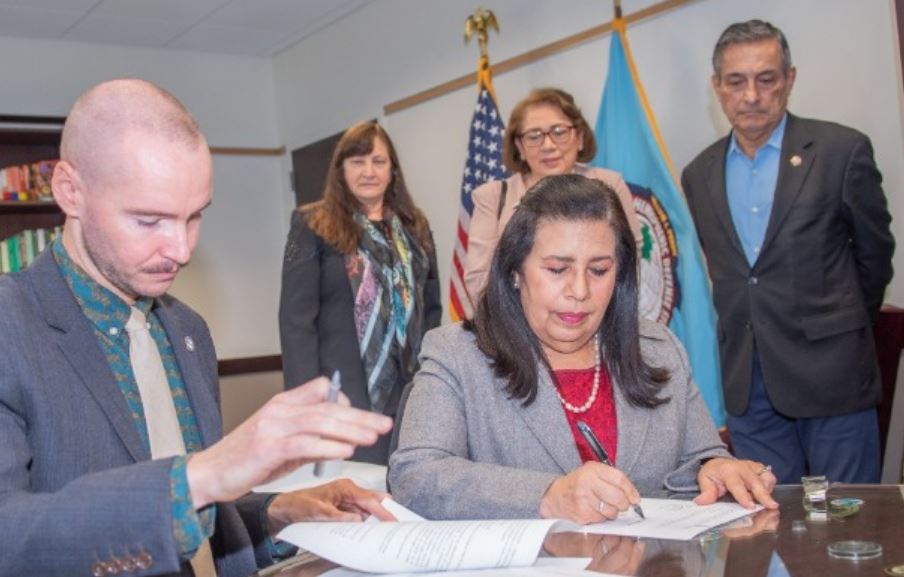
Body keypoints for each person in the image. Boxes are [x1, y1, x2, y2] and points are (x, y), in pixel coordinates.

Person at [0, 79, 394, 577]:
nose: (181, 250)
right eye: (149, 221)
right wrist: (205, 474)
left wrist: (278, 512)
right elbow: (10, 538)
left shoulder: (187, 330)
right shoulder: (11, 325)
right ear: (69, 192)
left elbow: (193, 525)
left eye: (194, 218)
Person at [388, 174, 777, 523]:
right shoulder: (457, 353)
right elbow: (417, 476)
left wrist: (716, 469)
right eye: (557, 270)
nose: (579, 291)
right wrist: (547, 496)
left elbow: (701, 457)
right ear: (515, 272)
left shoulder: (659, 349)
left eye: (599, 270)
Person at [681, 20, 895, 484]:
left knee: (848, 522)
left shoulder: (841, 150)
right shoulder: (698, 174)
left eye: (766, 79)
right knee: (769, 527)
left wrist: (838, 323)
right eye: (736, 81)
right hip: (749, 385)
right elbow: (729, 273)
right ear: (718, 87)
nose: (752, 95)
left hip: (832, 376)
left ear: (789, 80)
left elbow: (874, 257)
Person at [279, 121, 441, 465]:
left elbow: (432, 307)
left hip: (411, 393)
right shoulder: (313, 224)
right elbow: (296, 321)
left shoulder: (415, 226)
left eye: (378, 161)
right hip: (345, 394)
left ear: (392, 169)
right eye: (357, 162)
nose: (369, 171)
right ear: (341, 170)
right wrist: (308, 401)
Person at [463, 87, 642, 303]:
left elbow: (630, 263)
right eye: (534, 136)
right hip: (516, 326)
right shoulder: (491, 197)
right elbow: (478, 281)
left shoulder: (610, 185)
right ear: (519, 146)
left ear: (580, 137)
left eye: (559, 132)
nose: (548, 145)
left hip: (595, 317)